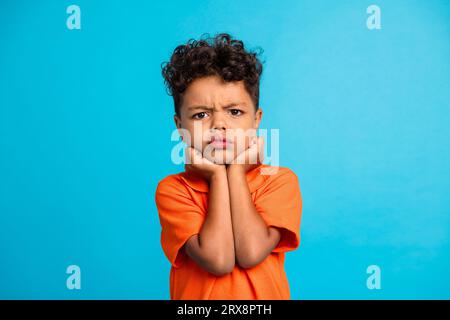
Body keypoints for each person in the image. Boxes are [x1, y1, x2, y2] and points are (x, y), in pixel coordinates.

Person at [155, 33, 302, 299]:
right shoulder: (173, 190)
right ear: (180, 126)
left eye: (234, 112)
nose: (219, 125)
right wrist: (216, 176)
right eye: (201, 114)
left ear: (256, 119)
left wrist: (234, 170)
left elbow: (250, 253)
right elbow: (219, 260)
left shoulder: (280, 181)